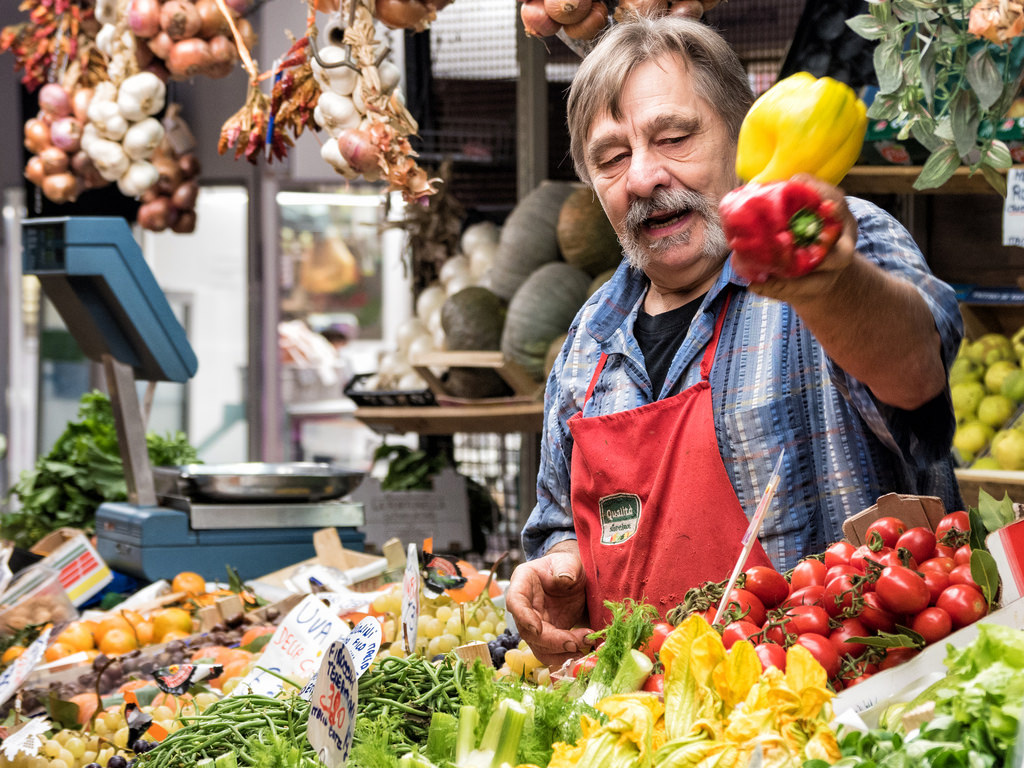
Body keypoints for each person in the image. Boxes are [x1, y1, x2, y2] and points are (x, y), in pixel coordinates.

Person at [505, 14, 964, 666]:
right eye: (612, 157)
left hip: (833, 726)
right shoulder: (589, 339)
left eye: (674, 138)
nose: (642, 177)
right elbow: (562, 520)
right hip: (649, 732)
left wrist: (825, 284)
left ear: (741, 135)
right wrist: (560, 572)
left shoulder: (837, 237)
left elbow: (919, 375)